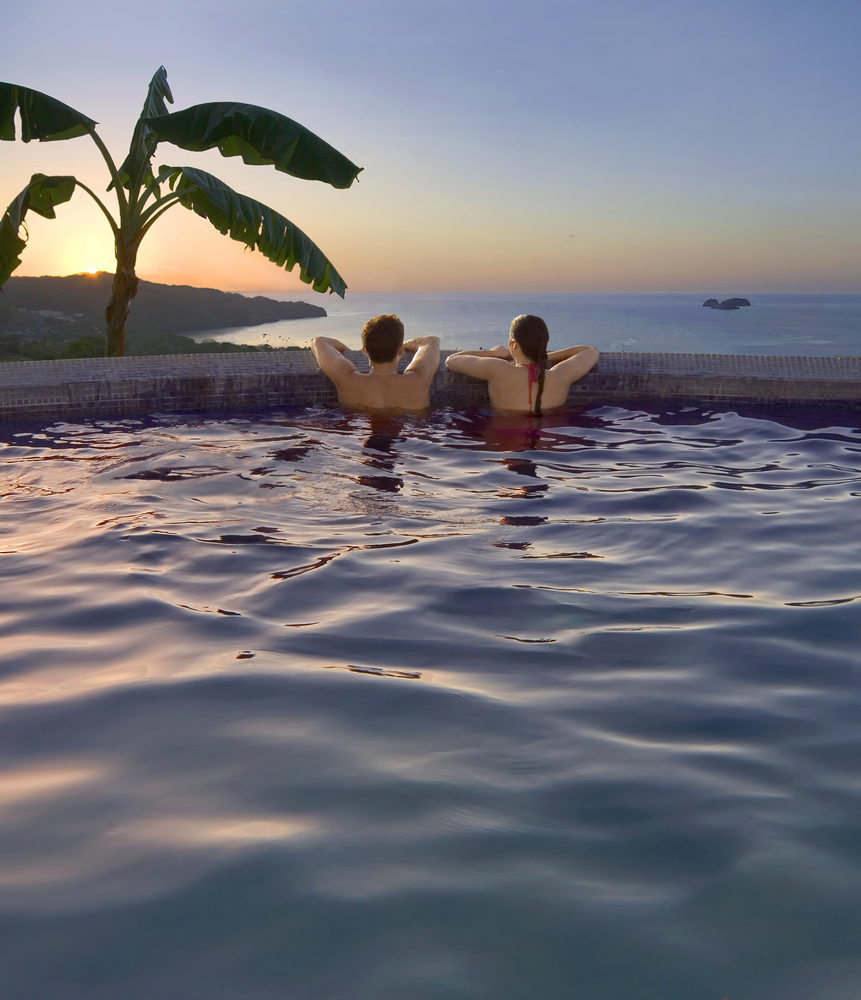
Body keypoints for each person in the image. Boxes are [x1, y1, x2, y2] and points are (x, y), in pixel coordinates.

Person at [444, 314, 598, 414]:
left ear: (513, 344)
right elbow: (590, 351)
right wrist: (543, 357)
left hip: (504, 441)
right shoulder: (561, 375)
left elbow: (451, 361)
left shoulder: (498, 370)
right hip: (548, 447)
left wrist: (494, 354)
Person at [311, 315, 440, 411]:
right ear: (399, 349)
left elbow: (319, 342)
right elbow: (430, 341)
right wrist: (393, 345)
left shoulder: (348, 379)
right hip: (411, 444)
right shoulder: (418, 379)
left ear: (365, 350)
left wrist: (351, 352)